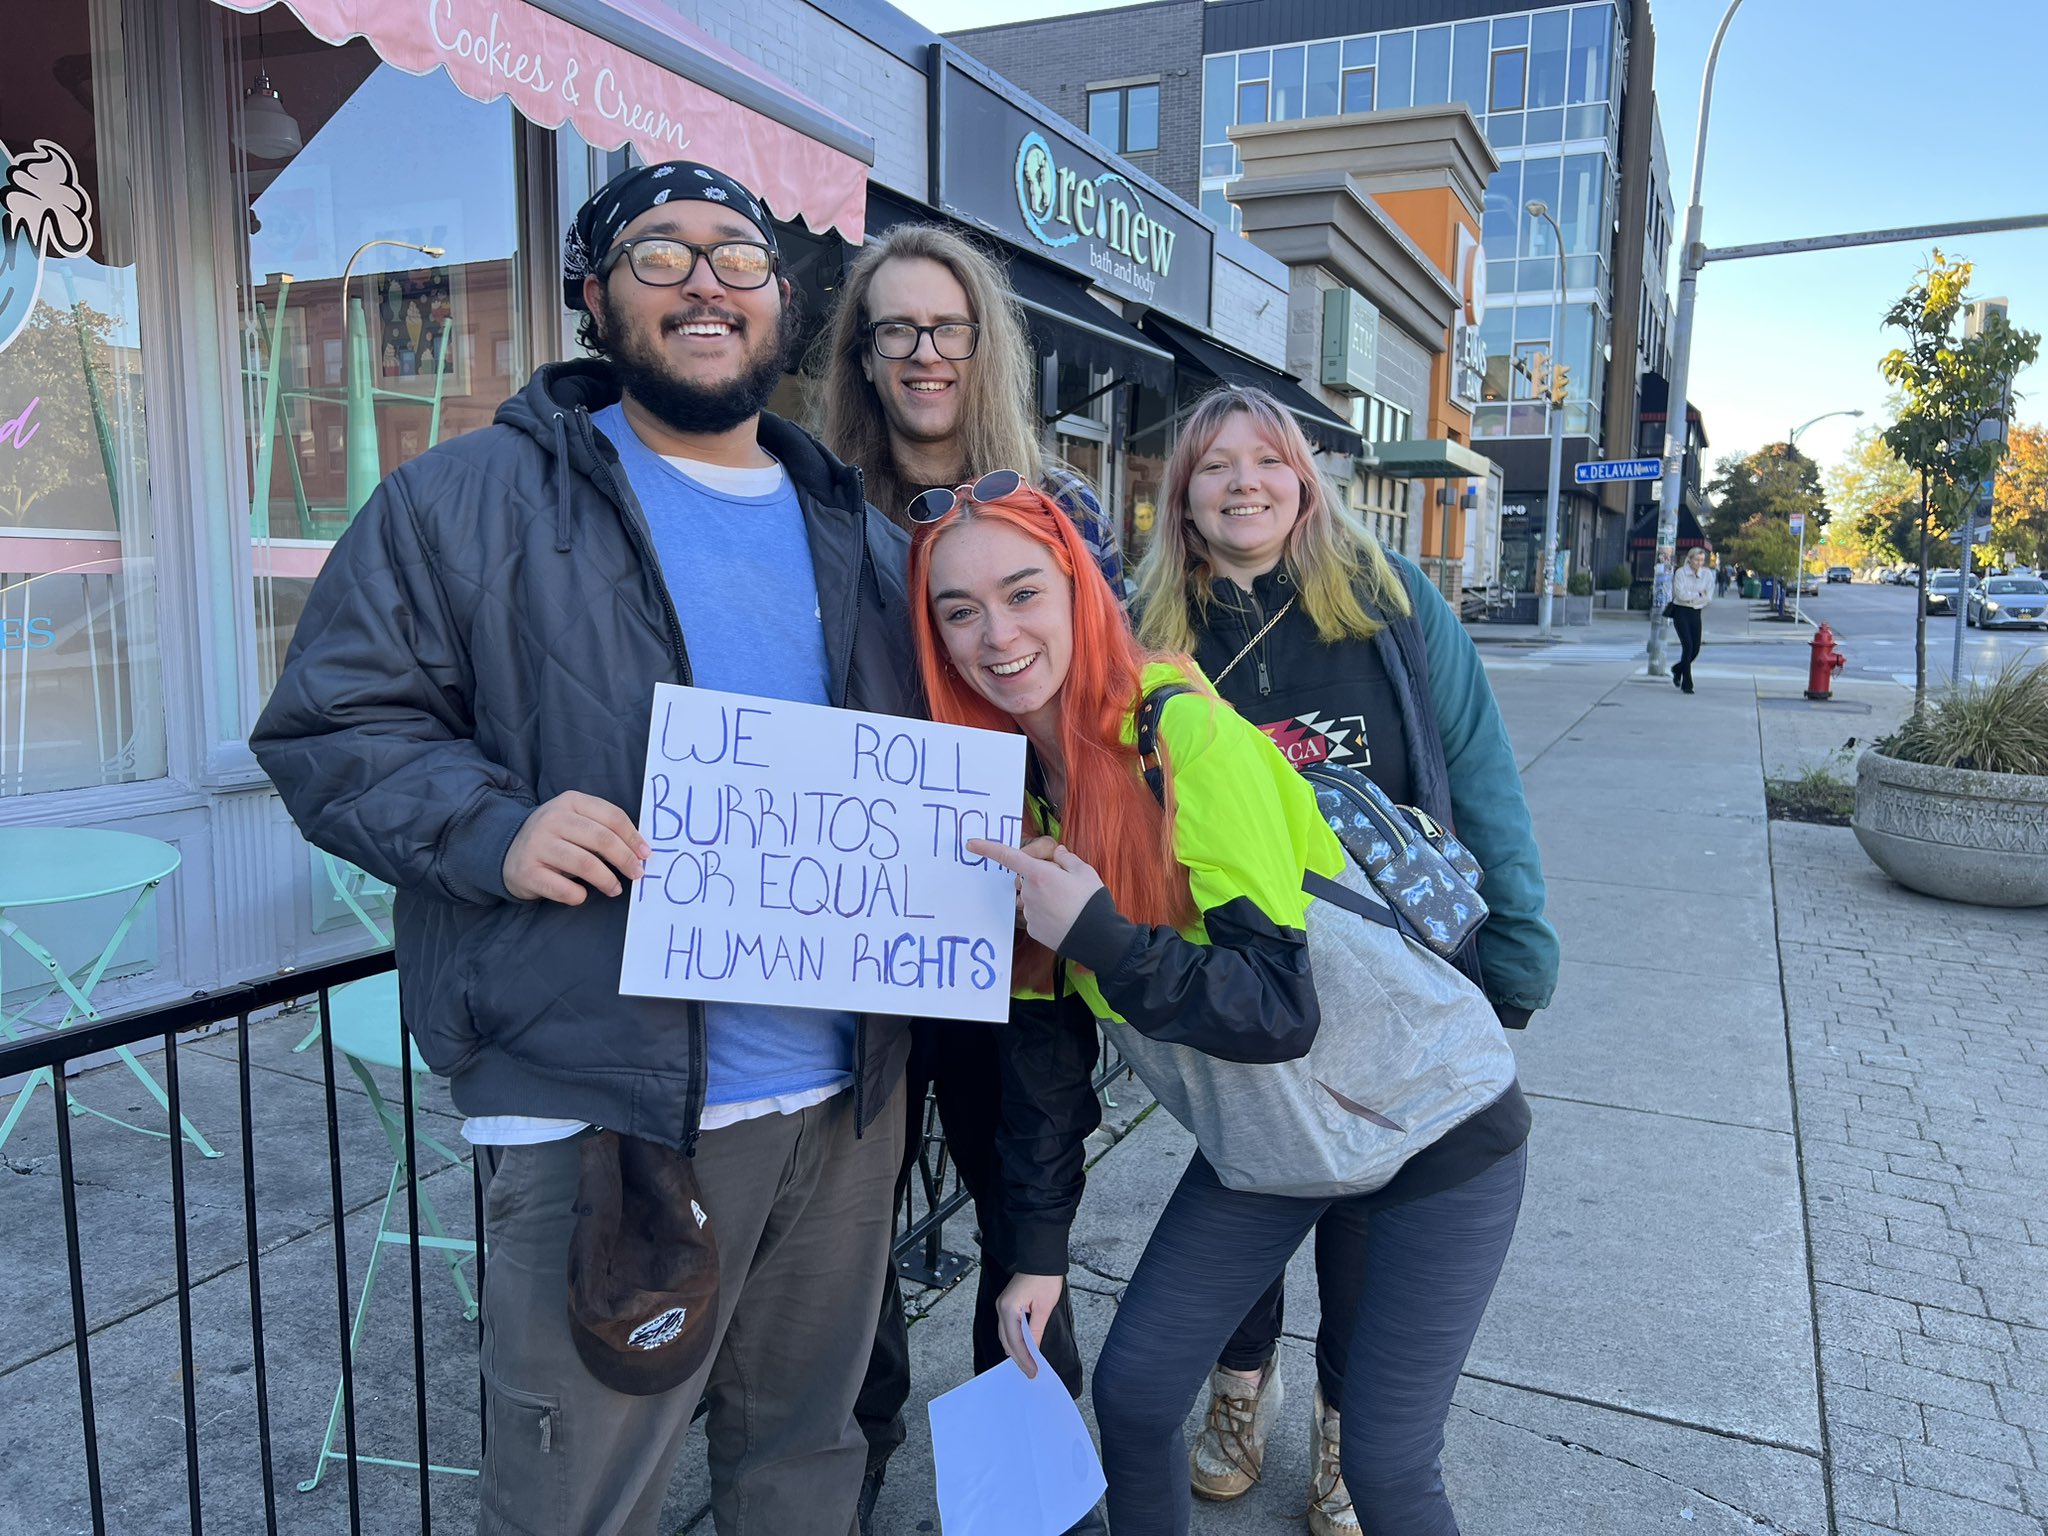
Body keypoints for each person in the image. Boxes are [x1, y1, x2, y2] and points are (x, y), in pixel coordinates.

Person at [251, 162, 920, 1536]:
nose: (704, 285)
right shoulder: (464, 500)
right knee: (573, 1498)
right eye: (658, 255)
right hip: (601, 1100)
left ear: (782, 304)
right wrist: (497, 829)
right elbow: (329, 726)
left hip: (842, 1102)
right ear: (595, 295)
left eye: (737, 256)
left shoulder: (858, 532)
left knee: (804, 1465)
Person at [904, 470, 1534, 1536]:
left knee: (1382, 1464)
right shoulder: (1010, 793)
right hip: (1271, 1140)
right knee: (1139, 1394)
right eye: (956, 611)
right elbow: (1042, 1056)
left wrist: (1098, 929)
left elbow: (1274, 1005)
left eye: (1021, 594)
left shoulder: (1180, 731)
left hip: (1433, 1126)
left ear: (1078, 591)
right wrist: (1037, 1256)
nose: (993, 635)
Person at [1128, 387, 1558, 1534]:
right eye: (1211, 466)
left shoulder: (1388, 603)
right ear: (1179, 496)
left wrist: (1513, 938)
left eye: (1266, 460)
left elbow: (1477, 769)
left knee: (1372, 1220)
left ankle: (1338, 1432)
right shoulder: (1150, 634)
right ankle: (1238, 1398)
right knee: (1247, 1183)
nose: (1241, 484)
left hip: (1395, 982)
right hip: (1239, 986)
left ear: (1304, 478)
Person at [814, 220, 1107, 1535]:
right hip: (854, 941)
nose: (923, 354)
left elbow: (1102, 717)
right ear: (863, 356)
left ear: (984, 344)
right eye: (896, 331)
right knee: (840, 1254)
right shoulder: (808, 510)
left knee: (1022, 1239)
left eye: (947, 328)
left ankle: (1025, 1511)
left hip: (1015, 945)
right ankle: (845, 1486)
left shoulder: (1064, 513)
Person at [1669, 545, 1715, 694]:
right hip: (1681, 611)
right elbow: (1680, 594)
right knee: (1687, 645)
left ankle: (1677, 669)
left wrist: (1695, 597)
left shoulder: (1707, 574)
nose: (1699, 563)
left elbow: (1708, 596)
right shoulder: (1681, 573)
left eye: (1702, 560)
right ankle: (1687, 682)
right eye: (1697, 560)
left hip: (1696, 613)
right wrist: (1697, 595)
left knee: (1695, 648)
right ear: (1690, 559)